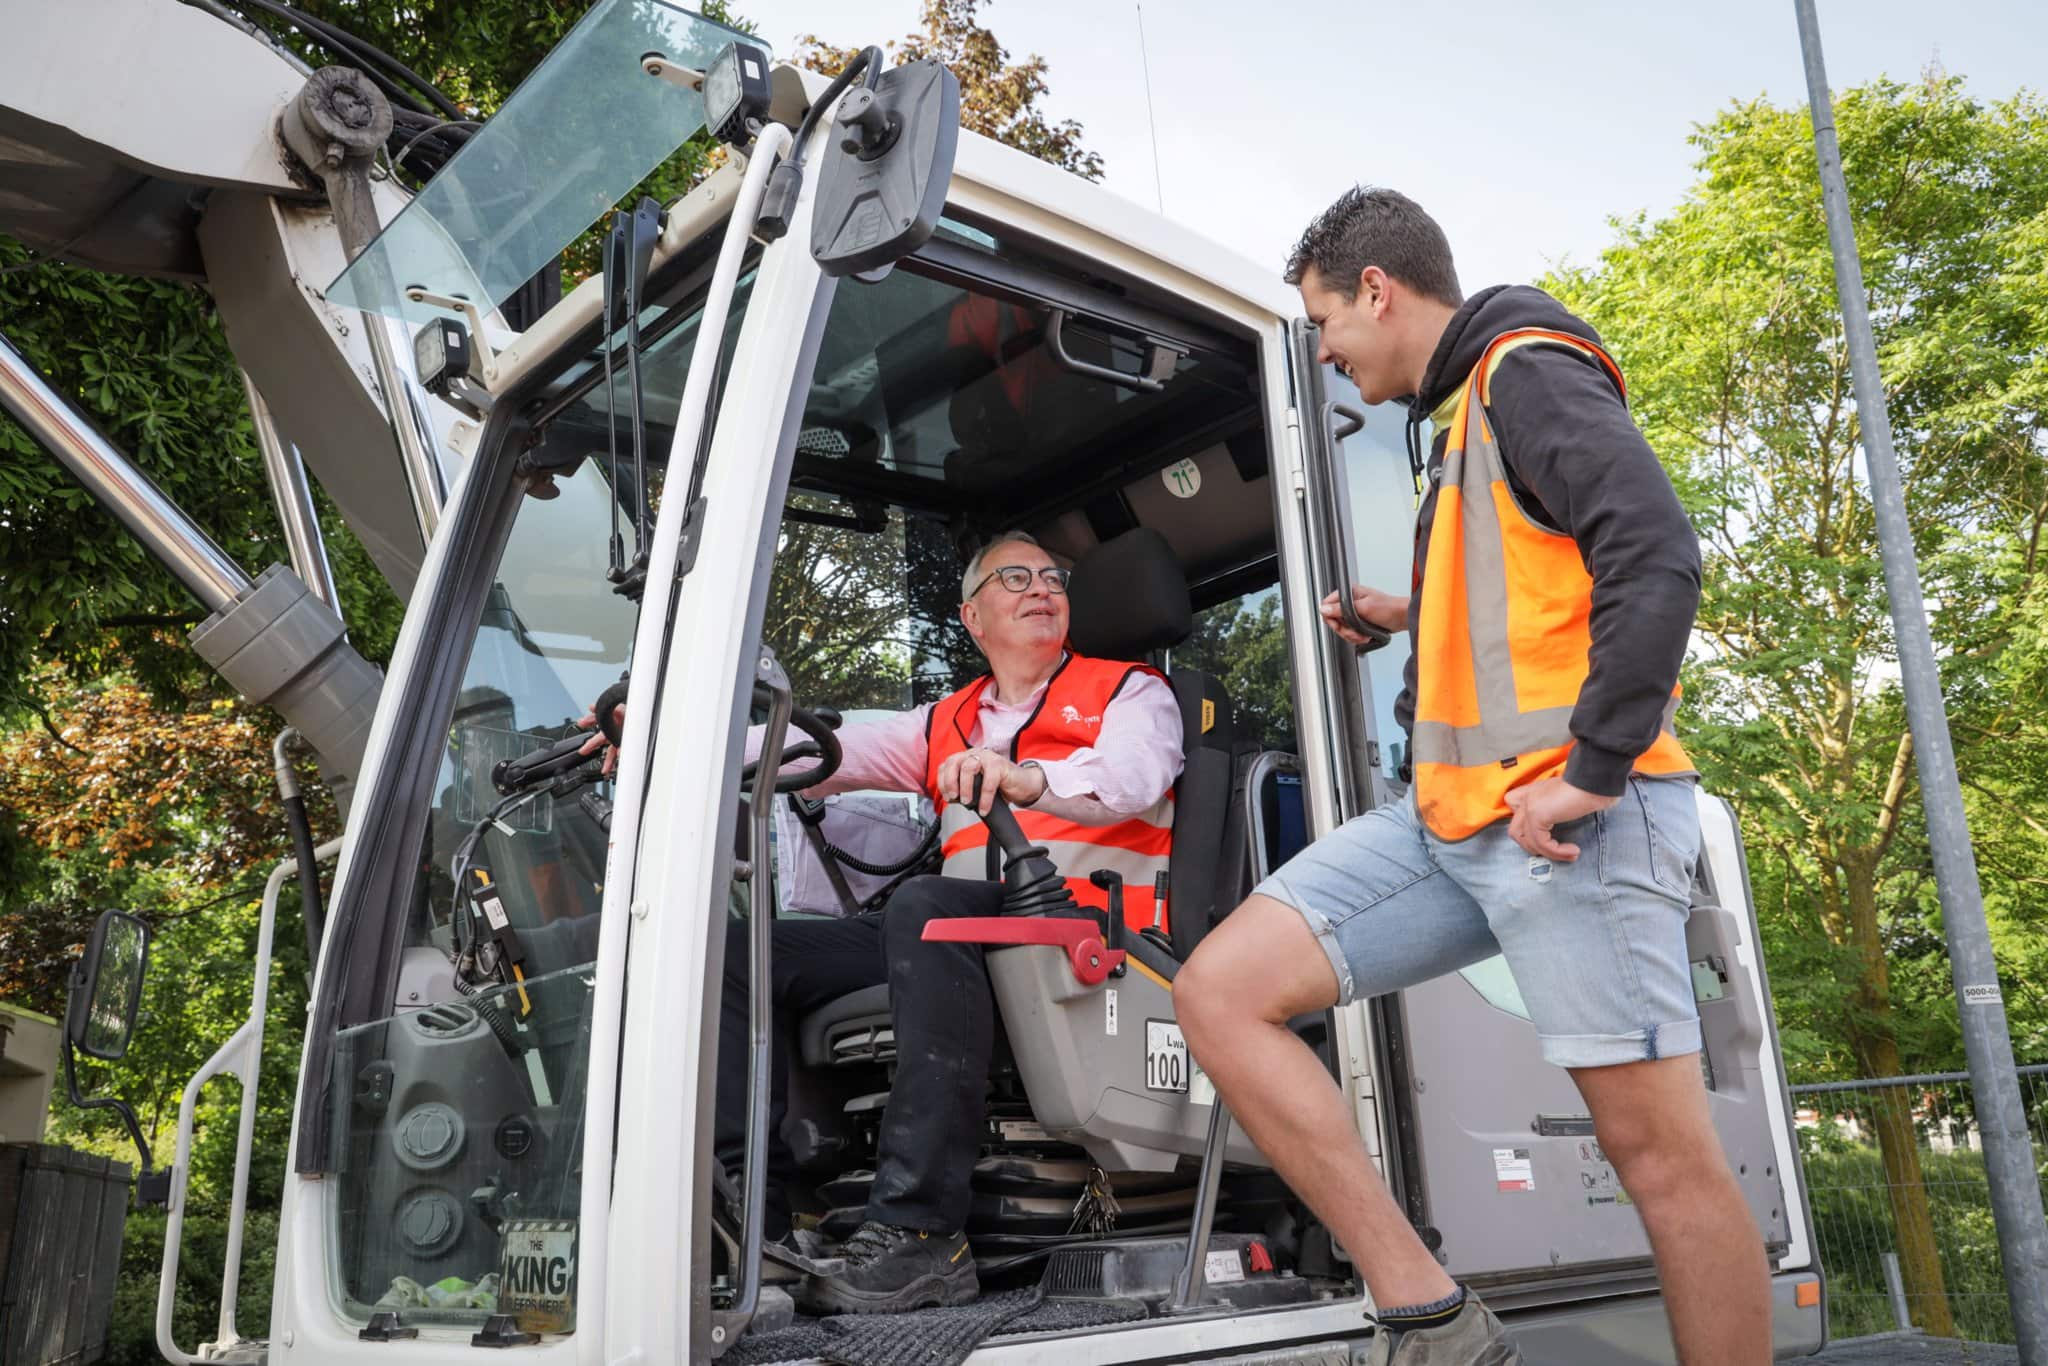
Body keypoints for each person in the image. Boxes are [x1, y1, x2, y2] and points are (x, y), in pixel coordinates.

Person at [1172, 187, 1769, 1365]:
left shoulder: (1525, 372)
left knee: (1658, 1160)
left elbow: (1653, 553)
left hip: (1569, 824)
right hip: (1447, 823)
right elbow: (1534, 588)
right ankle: (1429, 1315)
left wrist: (1592, 770)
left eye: (1324, 325)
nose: (1326, 356)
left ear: (1375, 290)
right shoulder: (1461, 424)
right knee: (1219, 993)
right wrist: (1412, 610)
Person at [588, 531, 1183, 1315]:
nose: (1042, 588)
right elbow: (815, 751)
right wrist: (662, 744)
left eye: (1052, 577)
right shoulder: (946, 720)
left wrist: (1026, 776)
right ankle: (749, 1219)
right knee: (739, 953)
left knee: (924, 902)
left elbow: (1136, 773)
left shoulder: (1131, 692)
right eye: (1015, 577)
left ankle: (921, 1233)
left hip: (1085, 936)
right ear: (972, 616)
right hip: (961, 935)